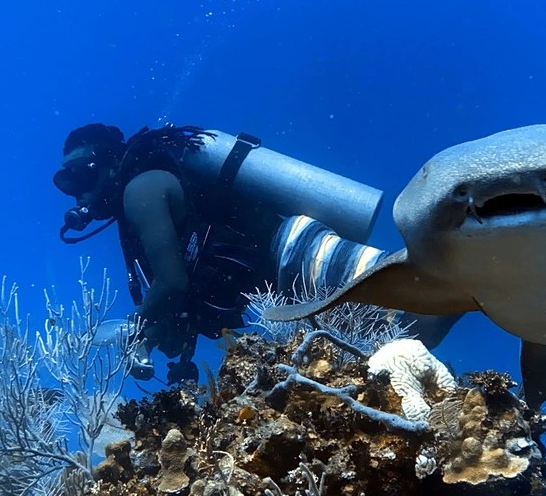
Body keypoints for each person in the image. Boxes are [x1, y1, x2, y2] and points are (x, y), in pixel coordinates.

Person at [53, 123, 390, 383]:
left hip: (299, 256)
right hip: (294, 278)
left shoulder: (140, 190)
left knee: (416, 303)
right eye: (66, 184)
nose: (77, 194)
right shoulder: (144, 194)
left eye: (81, 176)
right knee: (393, 345)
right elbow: (186, 285)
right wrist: (154, 337)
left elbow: (172, 284)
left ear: (111, 164)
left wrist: (135, 327)